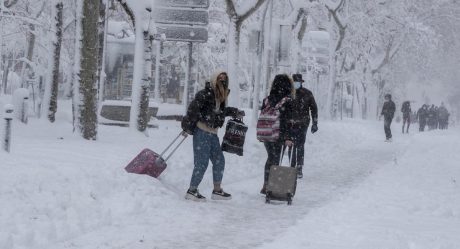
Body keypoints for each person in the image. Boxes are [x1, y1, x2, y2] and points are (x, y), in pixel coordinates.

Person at [181, 71, 244, 201]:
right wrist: (187, 127)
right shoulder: (204, 94)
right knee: (202, 163)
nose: (222, 81)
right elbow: (193, 109)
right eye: (220, 78)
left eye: (225, 79)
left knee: (219, 160)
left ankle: (217, 190)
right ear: (214, 79)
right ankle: (192, 190)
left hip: (213, 133)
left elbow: (220, 112)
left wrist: (234, 112)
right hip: (202, 132)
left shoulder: (220, 98)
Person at [260, 74, 295, 194]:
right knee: (275, 159)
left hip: (266, 133)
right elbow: (287, 120)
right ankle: (271, 186)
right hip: (278, 133)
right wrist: (288, 137)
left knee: (270, 157)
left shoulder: (267, 99)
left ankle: (266, 184)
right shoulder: (287, 100)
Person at [289, 74, 318, 178]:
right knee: (291, 144)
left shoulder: (307, 93)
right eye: (294, 82)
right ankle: (291, 167)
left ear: (301, 82)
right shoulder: (288, 93)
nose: (296, 84)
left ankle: (299, 167)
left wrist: (315, 123)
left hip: (303, 123)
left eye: (298, 82)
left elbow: (314, 108)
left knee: (300, 145)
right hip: (290, 123)